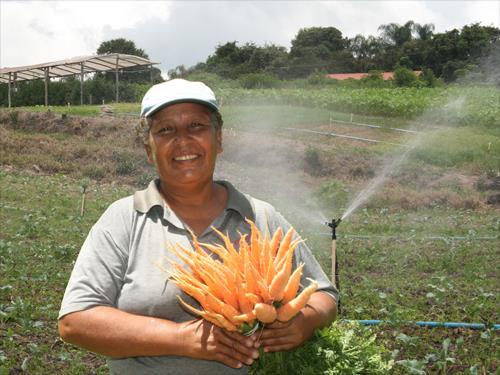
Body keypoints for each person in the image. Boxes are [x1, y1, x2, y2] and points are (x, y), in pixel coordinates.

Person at [58, 79, 338, 374]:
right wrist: (183, 339)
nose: (183, 140)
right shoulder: (124, 218)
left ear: (218, 140)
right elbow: (75, 321)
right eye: (165, 130)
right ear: (149, 150)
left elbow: (324, 295)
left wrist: (305, 321)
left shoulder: (261, 217)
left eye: (197, 126)